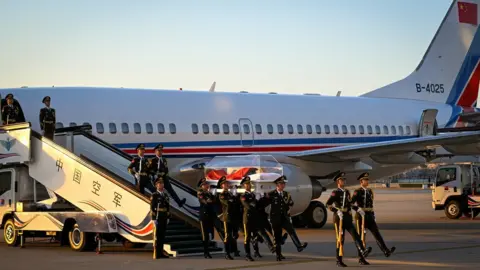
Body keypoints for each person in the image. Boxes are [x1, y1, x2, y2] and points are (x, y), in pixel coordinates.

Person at [326, 172, 372, 267]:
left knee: (355, 235)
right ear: (338, 182)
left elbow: (349, 203)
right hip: (339, 219)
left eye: (344, 180)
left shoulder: (347, 192)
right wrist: (336, 211)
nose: (344, 181)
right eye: (342, 180)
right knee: (340, 239)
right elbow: (328, 204)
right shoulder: (335, 192)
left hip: (347, 217)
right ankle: (339, 260)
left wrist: (357, 209)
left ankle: (362, 251)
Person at [351, 172, 396, 259]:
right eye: (365, 180)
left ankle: (385, 251)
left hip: (369, 216)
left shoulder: (370, 191)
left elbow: (371, 205)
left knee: (377, 234)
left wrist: (373, 215)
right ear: (361, 181)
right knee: (361, 237)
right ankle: (361, 256)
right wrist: (358, 209)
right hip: (361, 216)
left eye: (367, 180)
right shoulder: (357, 192)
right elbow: (351, 203)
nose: (367, 181)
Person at [267, 175, 308, 261]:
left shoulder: (286, 194)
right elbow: (263, 204)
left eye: (284, 184)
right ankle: (278, 255)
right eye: (281, 184)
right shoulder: (271, 194)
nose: (283, 185)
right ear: (277, 185)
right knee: (277, 237)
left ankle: (299, 246)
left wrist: (289, 207)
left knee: (291, 230)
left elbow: (291, 203)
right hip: (275, 219)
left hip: (284, 217)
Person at [150, 177, 170, 259]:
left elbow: (168, 207)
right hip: (157, 216)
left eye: (162, 183)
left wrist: (168, 217)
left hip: (164, 216)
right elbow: (152, 207)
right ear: (156, 185)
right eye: (159, 184)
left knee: (162, 235)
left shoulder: (165, 195)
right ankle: (157, 253)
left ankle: (161, 252)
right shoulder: (154, 195)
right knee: (157, 236)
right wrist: (153, 218)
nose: (161, 185)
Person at [239, 176, 258, 261]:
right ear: (244, 186)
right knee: (247, 237)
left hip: (253, 218)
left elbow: (256, 205)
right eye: (246, 184)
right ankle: (247, 255)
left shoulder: (253, 195)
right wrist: (252, 204)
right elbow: (247, 206)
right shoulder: (243, 196)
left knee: (255, 236)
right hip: (247, 218)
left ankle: (256, 252)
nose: (248, 185)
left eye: (249, 184)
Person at [218, 176, 236, 260]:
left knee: (232, 235)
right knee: (227, 236)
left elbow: (233, 202)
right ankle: (227, 253)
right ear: (222, 186)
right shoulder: (222, 195)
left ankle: (232, 251)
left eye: (227, 184)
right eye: (225, 184)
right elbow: (228, 203)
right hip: (226, 217)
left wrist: (231, 200)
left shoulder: (230, 194)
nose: (227, 185)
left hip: (232, 217)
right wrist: (231, 201)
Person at [197, 177, 216, 259]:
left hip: (210, 216)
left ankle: (208, 251)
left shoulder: (209, 194)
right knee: (205, 235)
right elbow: (205, 201)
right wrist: (209, 200)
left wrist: (211, 199)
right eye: (204, 185)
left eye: (207, 184)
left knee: (209, 234)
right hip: (204, 216)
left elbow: (213, 201)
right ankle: (206, 252)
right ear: (201, 186)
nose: (206, 186)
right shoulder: (200, 193)